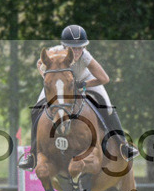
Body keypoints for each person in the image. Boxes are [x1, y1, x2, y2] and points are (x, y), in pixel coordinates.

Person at [17, 25, 139, 170]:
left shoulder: (86, 57)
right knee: (36, 109)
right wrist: (49, 80)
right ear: (64, 46)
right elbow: (39, 64)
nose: (76, 52)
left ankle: (123, 145)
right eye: (72, 48)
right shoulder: (53, 53)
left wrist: (83, 84)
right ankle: (32, 155)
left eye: (79, 48)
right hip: (59, 84)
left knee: (107, 106)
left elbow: (104, 78)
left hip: (85, 80)